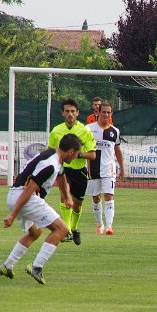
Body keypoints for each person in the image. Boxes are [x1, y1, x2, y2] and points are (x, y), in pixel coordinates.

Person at [0, 133, 82, 284]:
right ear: (71, 152)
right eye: (76, 154)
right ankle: (37, 267)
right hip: (25, 198)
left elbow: (61, 176)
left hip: (13, 195)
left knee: (35, 232)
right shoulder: (50, 165)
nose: (76, 157)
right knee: (61, 230)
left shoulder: (54, 157)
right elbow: (29, 189)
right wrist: (12, 215)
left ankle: (7, 266)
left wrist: (67, 196)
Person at [47, 98, 96, 244]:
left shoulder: (85, 131)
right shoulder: (56, 131)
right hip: (64, 169)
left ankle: (74, 228)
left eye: (73, 111)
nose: (70, 114)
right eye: (67, 111)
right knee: (65, 194)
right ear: (63, 113)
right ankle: (66, 230)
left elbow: (93, 155)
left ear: (77, 113)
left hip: (80, 171)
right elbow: (50, 151)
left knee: (77, 204)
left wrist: (76, 155)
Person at [87, 100, 125, 235]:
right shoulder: (89, 129)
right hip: (93, 168)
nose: (106, 115)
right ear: (99, 112)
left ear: (111, 114)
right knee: (96, 197)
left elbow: (117, 150)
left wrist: (122, 168)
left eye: (108, 112)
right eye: (104, 112)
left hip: (109, 168)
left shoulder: (115, 131)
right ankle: (100, 224)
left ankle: (109, 227)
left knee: (109, 195)